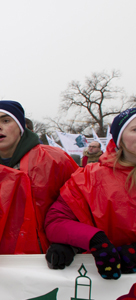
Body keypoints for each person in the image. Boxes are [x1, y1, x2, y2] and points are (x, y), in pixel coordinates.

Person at [0, 100, 78, 254]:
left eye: (5, 120)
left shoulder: (56, 159)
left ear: (20, 126)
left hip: (50, 257)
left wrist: (70, 242)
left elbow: (79, 205)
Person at [44, 108, 136, 279]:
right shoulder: (89, 177)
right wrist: (93, 240)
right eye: (135, 129)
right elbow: (56, 222)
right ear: (119, 139)